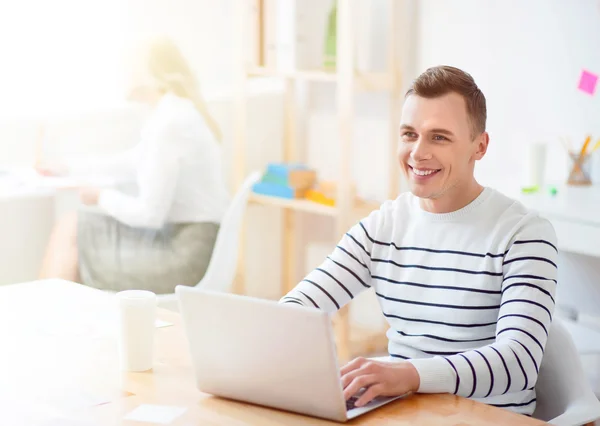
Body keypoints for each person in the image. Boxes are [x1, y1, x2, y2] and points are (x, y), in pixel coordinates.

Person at [281, 66, 557, 417]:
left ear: (480, 146)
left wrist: (409, 374)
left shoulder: (524, 233)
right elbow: (303, 305)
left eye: (439, 137)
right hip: (402, 414)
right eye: (409, 134)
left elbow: (518, 362)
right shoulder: (384, 225)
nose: (417, 153)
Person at [37, 36, 230, 294]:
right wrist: (69, 168)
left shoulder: (169, 125)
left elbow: (149, 215)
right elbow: (131, 162)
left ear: (148, 74)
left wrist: (101, 196)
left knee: (71, 230)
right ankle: (51, 319)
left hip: (184, 257)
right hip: (185, 243)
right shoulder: (172, 113)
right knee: (72, 226)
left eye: (128, 68)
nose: (122, 75)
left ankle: (45, 319)